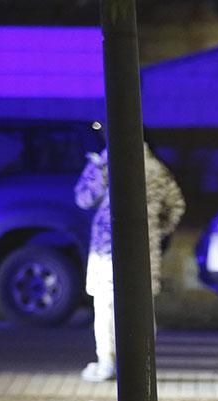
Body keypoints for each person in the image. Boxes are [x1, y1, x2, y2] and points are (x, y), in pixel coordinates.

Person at [75, 141, 185, 382]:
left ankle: (108, 363)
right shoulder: (155, 168)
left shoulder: (108, 164)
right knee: (140, 307)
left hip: (108, 248)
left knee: (106, 305)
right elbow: (176, 206)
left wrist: (97, 165)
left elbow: (84, 197)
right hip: (144, 250)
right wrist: (155, 231)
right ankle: (139, 366)